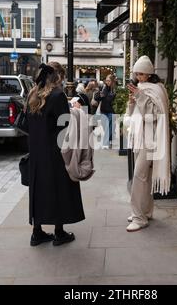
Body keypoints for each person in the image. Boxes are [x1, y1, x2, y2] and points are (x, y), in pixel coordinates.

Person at [26, 62, 85, 246]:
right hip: (55, 152)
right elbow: (64, 125)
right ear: (57, 76)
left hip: (36, 152)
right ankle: (59, 232)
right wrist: (75, 111)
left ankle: (37, 233)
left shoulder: (32, 94)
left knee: (39, 191)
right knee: (60, 189)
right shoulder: (58, 95)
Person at [125, 55, 170, 232]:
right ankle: (145, 211)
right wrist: (132, 102)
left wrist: (140, 96)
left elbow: (154, 114)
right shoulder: (142, 88)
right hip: (139, 137)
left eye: (141, 74)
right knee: (145, 176)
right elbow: (135, 114)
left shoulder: (157, 89)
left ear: (150, 74)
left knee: (139, 175)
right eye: (136, 74)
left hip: (150, 138)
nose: (138, 77)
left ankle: (139, 217)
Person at [94, 74, 116, 148]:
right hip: (103, 110)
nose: (107, 82)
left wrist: (105, 96)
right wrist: (100, 95)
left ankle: (105, 143)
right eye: (106, 80)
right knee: (106, 127)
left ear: (112, 81)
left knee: (108, 127)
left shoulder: (115, 89)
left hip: (111, 111)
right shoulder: (103, 88)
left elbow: (110, 99)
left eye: (109, 81)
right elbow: (96, 98)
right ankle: (109, 140)